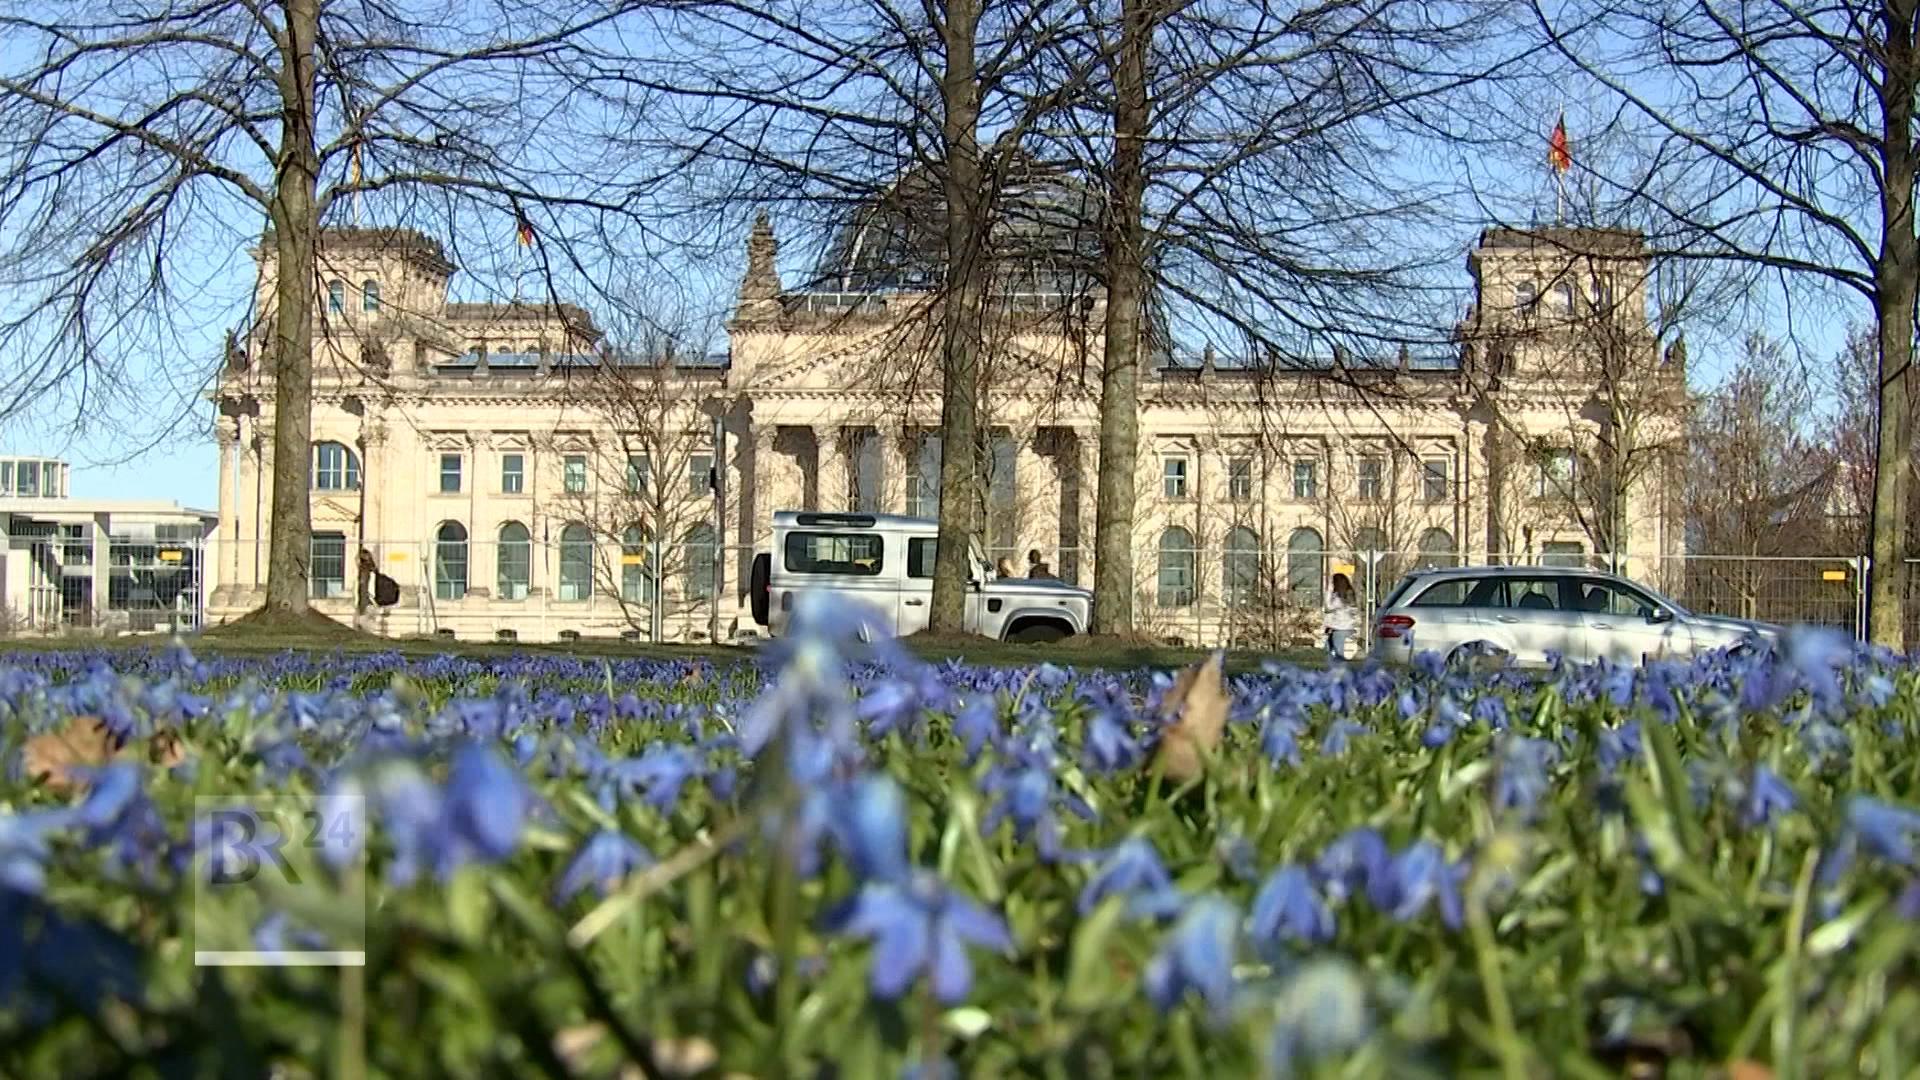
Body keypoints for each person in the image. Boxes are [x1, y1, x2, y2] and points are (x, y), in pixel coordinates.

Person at [1323, 572, 1358, 659]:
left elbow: (1328, 607)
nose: (1331, 584)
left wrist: (1328, 591)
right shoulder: (1346, 593)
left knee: (1338, 653)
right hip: (1338, 627)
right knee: (1328, 651)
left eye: (1332, 582)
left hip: (1341, 628)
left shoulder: (1340, 597)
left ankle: (1339, 670)